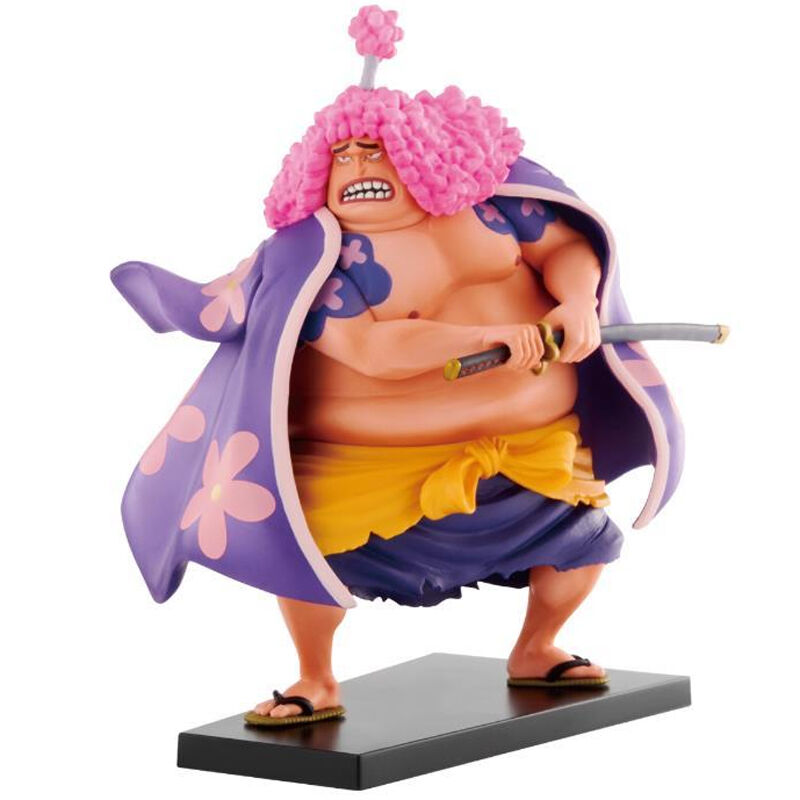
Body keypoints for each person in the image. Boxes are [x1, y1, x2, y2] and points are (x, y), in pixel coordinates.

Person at [111, 6, 683, 727]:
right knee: (308, 554)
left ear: (423, 154)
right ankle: (316, 679)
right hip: (368, 464)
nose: (356, 165)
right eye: (342, 155)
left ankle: (537, 649)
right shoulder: (319, 261)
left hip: (532, 447)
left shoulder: (499, 211)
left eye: (374, 150)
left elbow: (569, 246)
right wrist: (490, 337)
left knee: (584, 540)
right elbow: (371, 351)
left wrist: (576, 302)